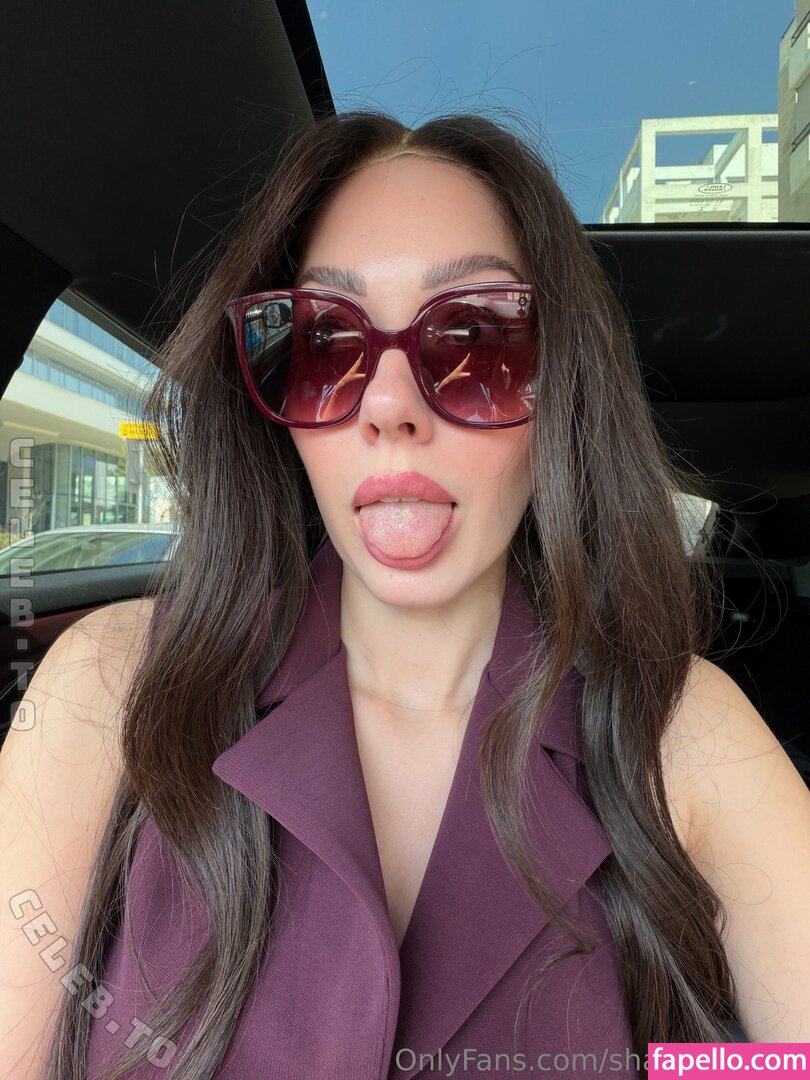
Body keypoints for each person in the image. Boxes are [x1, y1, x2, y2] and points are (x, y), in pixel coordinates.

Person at [4, 110, 809, 1080]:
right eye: (324, 341)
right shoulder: (108, 687)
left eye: (476, 337)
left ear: (562, 385)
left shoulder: (680, 731)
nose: (389, 405)